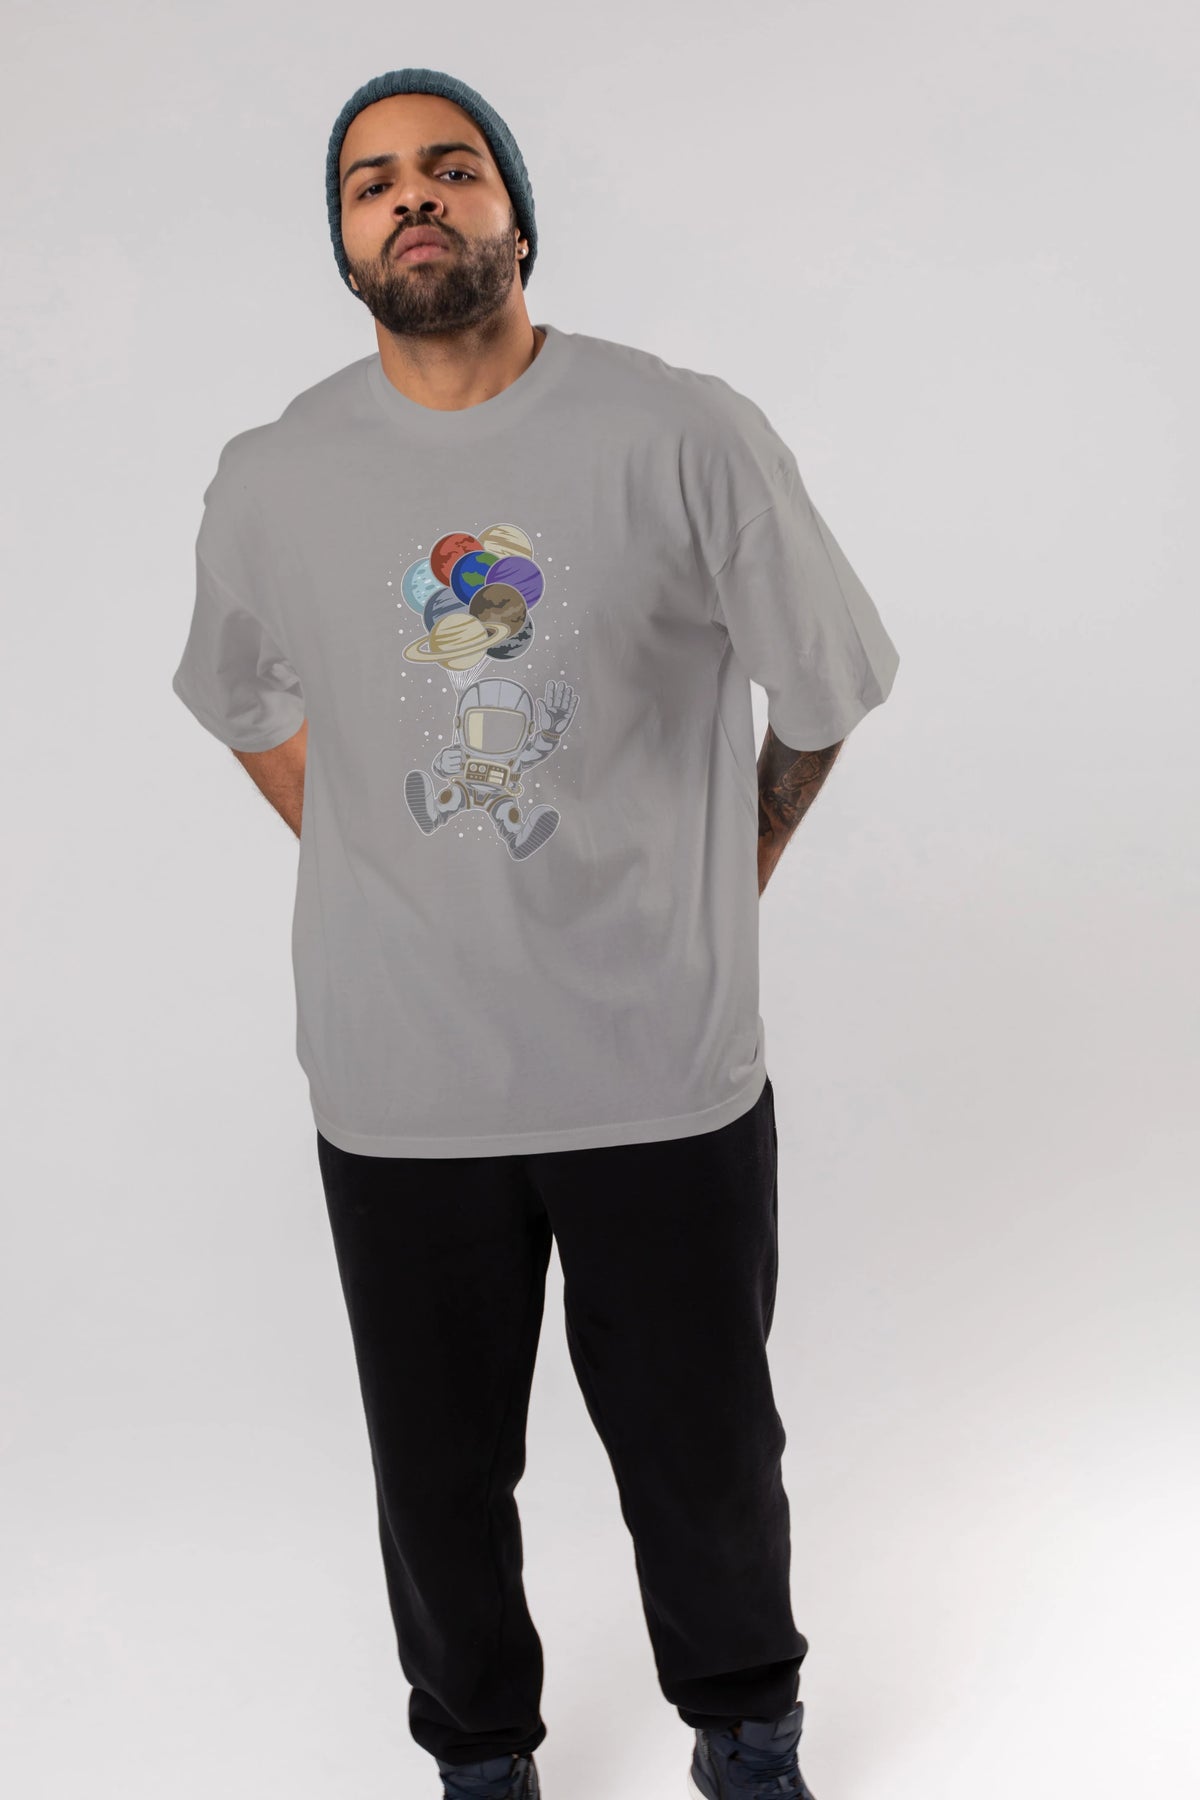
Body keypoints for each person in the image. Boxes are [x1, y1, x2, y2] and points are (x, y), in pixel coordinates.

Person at [170, 66, 900, 1800]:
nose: (413, 197)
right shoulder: (273, 474)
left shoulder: (681, 433)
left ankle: (747, 1732)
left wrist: (737, 863)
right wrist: (369, 853)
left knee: (705, 1451)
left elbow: (825, 685)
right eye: (372, 182)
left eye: (452, 167)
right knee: (435, 1476)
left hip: (659, 1065)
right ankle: (480, 1759)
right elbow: (241, 697)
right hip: (400, 1084)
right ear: (344, 241)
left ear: (516, 213)